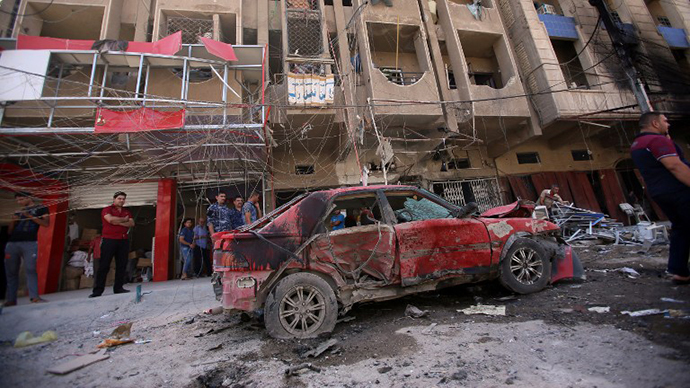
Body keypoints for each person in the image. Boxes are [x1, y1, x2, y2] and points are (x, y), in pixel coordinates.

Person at [631, 112, 690, 284]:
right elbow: (674, 166)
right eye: (665, 121)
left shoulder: (637, 144)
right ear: (655, 123)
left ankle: (679, 271)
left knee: (681, 228)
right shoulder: (656, 141)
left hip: (660, 192)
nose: (668, 124)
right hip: (679, 190)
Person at [4, 192, 49, 306]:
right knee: (11, 272)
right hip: (12, 243)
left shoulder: (41, 208)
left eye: (21, 199)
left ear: (29, 198)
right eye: (18, 200)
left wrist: (29, 216)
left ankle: (34, 297)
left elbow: (46, 223)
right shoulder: (19, 211)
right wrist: (14, 220)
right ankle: (11, 299)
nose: (20, 202)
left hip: (30, 242)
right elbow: (9, 231)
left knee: (30, 269)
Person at [90, 191, 134, 298]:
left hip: (123, 240)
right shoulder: (107, 209)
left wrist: (117, 221)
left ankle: (118, 288)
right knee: (104, 265)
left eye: (123, 199)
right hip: (109, 240)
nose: (121, 200)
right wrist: (123, 220)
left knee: (122, 265)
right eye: (119, 198)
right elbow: (110, 220)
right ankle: (98, 290)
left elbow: (131, 223)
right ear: (114, 199)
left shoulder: (126, 211)